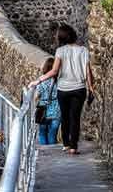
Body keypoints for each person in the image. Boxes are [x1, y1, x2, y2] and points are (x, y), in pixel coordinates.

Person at [29, 24, 94, 155]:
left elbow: (54, 71)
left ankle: (65, 144)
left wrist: (38, 80)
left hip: (63, 89)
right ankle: (74, 147)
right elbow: (88, 73)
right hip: (79, 88)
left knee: (65, 117)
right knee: (75, 117)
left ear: (62, 37)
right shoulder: (84, 50)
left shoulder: (60, 51)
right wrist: (91, 88)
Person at [35, 57, 61, 145]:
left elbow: (37, 95)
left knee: (42, 133)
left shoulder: (42, 80)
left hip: (43, 110)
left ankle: (44, 152)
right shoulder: (59, 81)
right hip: (57, 110)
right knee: (52, 135)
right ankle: (53, 153)